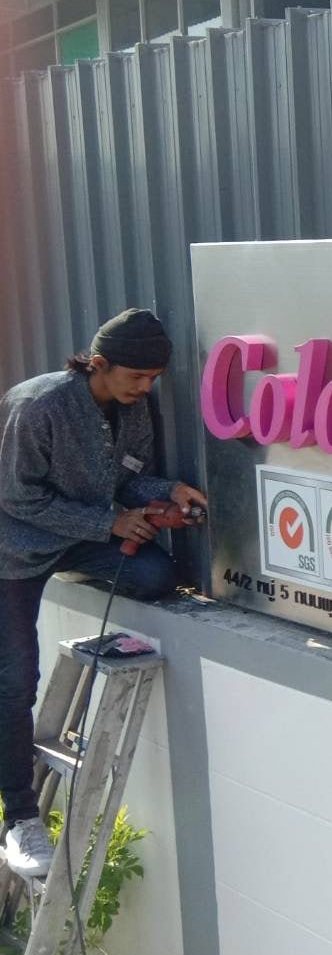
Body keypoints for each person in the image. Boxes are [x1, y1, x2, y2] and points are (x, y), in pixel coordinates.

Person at [0, 309, 206, 878]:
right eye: (136, 377)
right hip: (12, 554)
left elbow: (128, 480)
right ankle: (20, 820)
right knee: (14, 683)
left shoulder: (132, 407)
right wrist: (109, 523)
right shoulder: (36, 406)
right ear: (97, 364)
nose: (145, 388)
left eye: (153, 379)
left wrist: (169, 492)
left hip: (75, 541)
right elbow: (17, 499)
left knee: (155, 577)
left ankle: (71, 570)